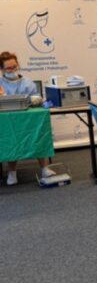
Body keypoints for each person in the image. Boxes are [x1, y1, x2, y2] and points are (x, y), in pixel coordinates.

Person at [0, 51, 55, 186]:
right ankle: (12, 172)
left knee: (38, 132)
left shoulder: (28, 82)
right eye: (8, 68)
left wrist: (37, 100)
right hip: (8, 120)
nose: (12, 70)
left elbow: (36, 99)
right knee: (11, 138)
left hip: (27, 118)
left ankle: (44, 168)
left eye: (14, 66)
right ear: (2, 70)